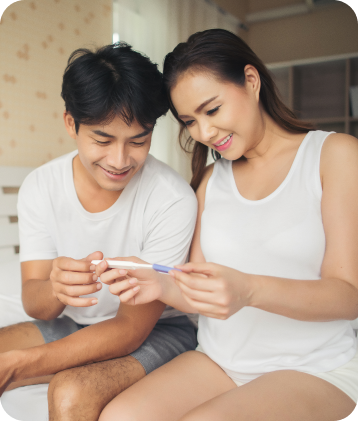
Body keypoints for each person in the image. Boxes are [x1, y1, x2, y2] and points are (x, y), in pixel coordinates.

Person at [95, 29, 358, 421]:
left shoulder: (334, 155)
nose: (204, 133)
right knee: (121, 417)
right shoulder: (208, 183)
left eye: (212, 110)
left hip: (313, 368)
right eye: (190, 121)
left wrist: (250, 290)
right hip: (220, 362)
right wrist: (155, 283)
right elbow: (198, 290)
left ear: (251, 81)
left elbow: (348, 295)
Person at [0, 42, 198, 421]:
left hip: (159, 331)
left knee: (71, 393)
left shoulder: (172, 199)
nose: (120, 161)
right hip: (75, 322)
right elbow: (36, 304)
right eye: (103, 140)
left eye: (138, 140)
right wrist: (55, 289)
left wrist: (21, 364)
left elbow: (130, 329)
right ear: (71, 123)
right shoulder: (41, 187)